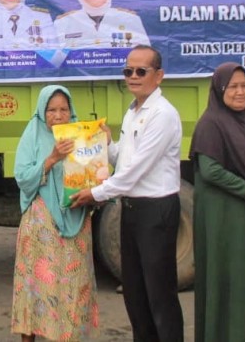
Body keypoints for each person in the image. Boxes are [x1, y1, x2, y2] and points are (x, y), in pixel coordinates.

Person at [70, 45, 184, 342]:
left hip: (156, 210)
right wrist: (106, 144)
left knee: (159, 294)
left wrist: (95, 193)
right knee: (135, 291)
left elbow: (136, 171)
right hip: (132, 209)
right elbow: (125, 159)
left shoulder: (162, 115)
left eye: (140, 71)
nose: (133, 77)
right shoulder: (134, 110)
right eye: (128, 71)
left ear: (158, 76)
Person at [189, 62, 245, 342]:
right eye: (233, 86)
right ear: (219, 90)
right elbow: (211, 171)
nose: (240, 92)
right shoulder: (211, 123)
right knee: (228, 283)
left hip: (243, 214)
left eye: (244, 86)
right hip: (223, 218)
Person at [12, 85, 99, 341]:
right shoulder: (32, 134)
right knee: (36, 286)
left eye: (63, 109)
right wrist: (51, 158)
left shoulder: (82, 137)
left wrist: (91, 190)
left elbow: (95, 177)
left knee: (72, 284)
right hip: (41, 225)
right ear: (42, 111)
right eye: (51, 110)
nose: (58, 115)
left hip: (76, 220)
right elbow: (23, 177)